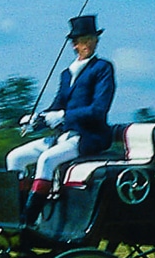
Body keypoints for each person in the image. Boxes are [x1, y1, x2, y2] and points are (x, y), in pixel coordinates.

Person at [6, 14, 116, 226]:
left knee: (47, 160)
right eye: (78, 41)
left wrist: (64, 116)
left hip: (88, 137)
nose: (81, 45)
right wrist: (37, 119)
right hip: (62, 136)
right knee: (15, 157)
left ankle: (28, 221)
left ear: (95, 40)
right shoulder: (67, 74)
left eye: (87, 40)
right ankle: (15, 213)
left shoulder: (102, 69)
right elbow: (57, 105)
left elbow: (98, 110)